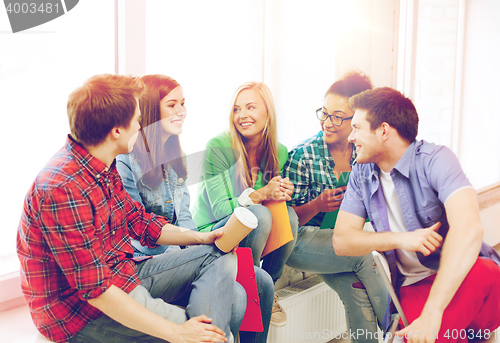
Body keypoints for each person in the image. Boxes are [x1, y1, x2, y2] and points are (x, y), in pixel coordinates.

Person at [17, 74, 241, 343]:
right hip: (80, 314)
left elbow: (140, 221)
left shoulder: (101, 162)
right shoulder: (63, 189)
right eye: (137, 119)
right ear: (117, 131)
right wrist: (178, 332)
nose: (141, 125)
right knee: (215, 331)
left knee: (219, 253)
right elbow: (97, 291)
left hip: (122, 275)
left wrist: (200, 237)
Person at [332, 87, 500, 343]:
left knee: (485, 272)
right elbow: (342, 241)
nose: (351, 137)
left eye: (357, 128)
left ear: (384, 131)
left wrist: (433, 313)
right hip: (413, 287)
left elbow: (469, 228)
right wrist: (401, 238)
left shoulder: (437, 159)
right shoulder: (361, 174)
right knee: (428, 335)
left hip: (467, 275)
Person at [115, 74, 274, 342]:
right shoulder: (126, 160)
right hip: (149, 260)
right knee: (235, 296)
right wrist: (193, 250)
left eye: (183, 103)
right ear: (152, 109)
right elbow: (134, 230)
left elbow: (184, 216)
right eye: (173, 105)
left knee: (262, 283)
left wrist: (194, 246)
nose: (182, 111)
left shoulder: (174, 156)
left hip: (182, 250)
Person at [282, 72, 388, 342]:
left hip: (337, 243)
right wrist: (318, 205)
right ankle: (401, 326)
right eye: (324, 113)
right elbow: (285, 222)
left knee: (357, 291)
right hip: (298, 242)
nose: (327, 123)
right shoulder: (303, 154)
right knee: (361, 253)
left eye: (338, 116)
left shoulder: (362, 154)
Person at [192, 81, 299, 328]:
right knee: (259, 214)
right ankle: (251, 286)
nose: (242, 115)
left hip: (249, 231)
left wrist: (280, 192)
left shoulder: (279, 151)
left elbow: (270, 202)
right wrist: (263, 193)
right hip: (212, 228)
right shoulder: (219, 146)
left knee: (289, 215)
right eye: (237, 109)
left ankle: (267, 285)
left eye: (250, 107)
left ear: (267, 113)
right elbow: (221, 209)